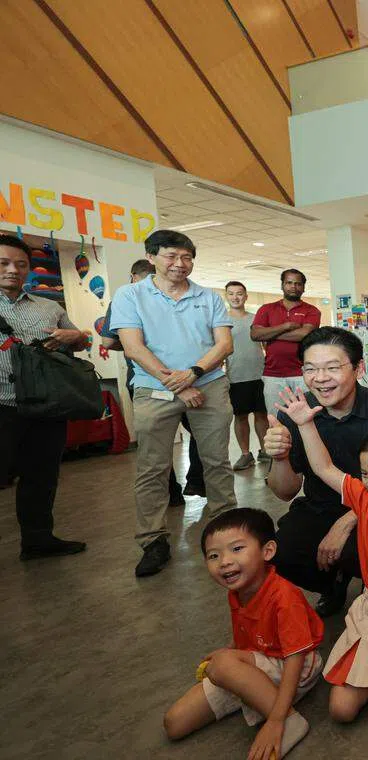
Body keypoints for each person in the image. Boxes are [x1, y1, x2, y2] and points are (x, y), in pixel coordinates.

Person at [276, 386, 368, 726]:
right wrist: (305, 424)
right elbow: (323, 467)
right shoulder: (363, 498)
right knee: (340, 710)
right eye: (365, 474)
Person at [111, 229, 238, 577]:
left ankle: (228, 527)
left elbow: (224, 345)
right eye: (171, 256)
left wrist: (194, 373)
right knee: (152, 467)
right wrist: (178, 386)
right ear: (151, 257)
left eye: (186, 257)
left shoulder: (208, 297)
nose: (180, 264)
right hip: (154, 389)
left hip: (207, 384)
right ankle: (152, 539)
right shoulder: (130, 295)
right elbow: (133, 347)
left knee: (216, 461)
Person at [261, 327, 368, 617]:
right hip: (319, 505)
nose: (320, 378)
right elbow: (286, 491)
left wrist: (346, 522)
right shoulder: (295, 411)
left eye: (332, 367)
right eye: (310, 369)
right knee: (281, 553)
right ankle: (333, 583)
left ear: (358, 368)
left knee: (364, 552)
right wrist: (280, 457)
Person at [162, 508, 323, 760]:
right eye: (214, 555)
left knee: (221, 666)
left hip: (297, 667)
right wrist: (231, 653)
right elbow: (246, 633)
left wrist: (275, 720)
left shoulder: (284, 597)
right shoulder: (237, 593)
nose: (224, 561)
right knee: (174, 722)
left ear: (267, 551)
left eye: (237, 549)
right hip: (260, 660)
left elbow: (296, 657)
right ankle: (249, 689)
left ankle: (289, 720)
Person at [0, 234, 88, 560]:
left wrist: (75, 336)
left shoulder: (49, 307)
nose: (13, 270)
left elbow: (82, 343)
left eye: (20, 264)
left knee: (42, 477)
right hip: (2, 405)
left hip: (46, 405)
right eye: (4, 263)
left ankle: (37, 541)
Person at [101, 258, 200, 506]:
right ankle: (196, 481)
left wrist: (137, 346)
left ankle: (173, 493)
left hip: (151, 380)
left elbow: (108, 342)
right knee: (200, 433)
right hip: (178, 379)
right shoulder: (139, 298)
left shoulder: (126, 298)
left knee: (157, 443)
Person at [251, 269, 321, 413]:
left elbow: (304, 334)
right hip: (273, 375)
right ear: (282, 285)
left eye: (298, 284)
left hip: (303, 373)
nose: (293, 287)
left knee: (307, 417)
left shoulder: (312, 310)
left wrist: (269, 333)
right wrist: (285, 326)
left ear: (303, 287)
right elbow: (255, 334)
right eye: (289, 283)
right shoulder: (266, 309)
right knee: (276, 419)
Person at [223, 281, 270, 470]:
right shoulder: (222, 321)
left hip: (259, 375)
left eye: (239, 293)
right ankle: (245, 454)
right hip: (236, 377)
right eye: (231, 293)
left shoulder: (256, 319)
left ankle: (265, 451)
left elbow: (266, 346)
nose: (235, 297)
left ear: (246, 296)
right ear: (226, 296)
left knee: (262, 415)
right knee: (240, 417)